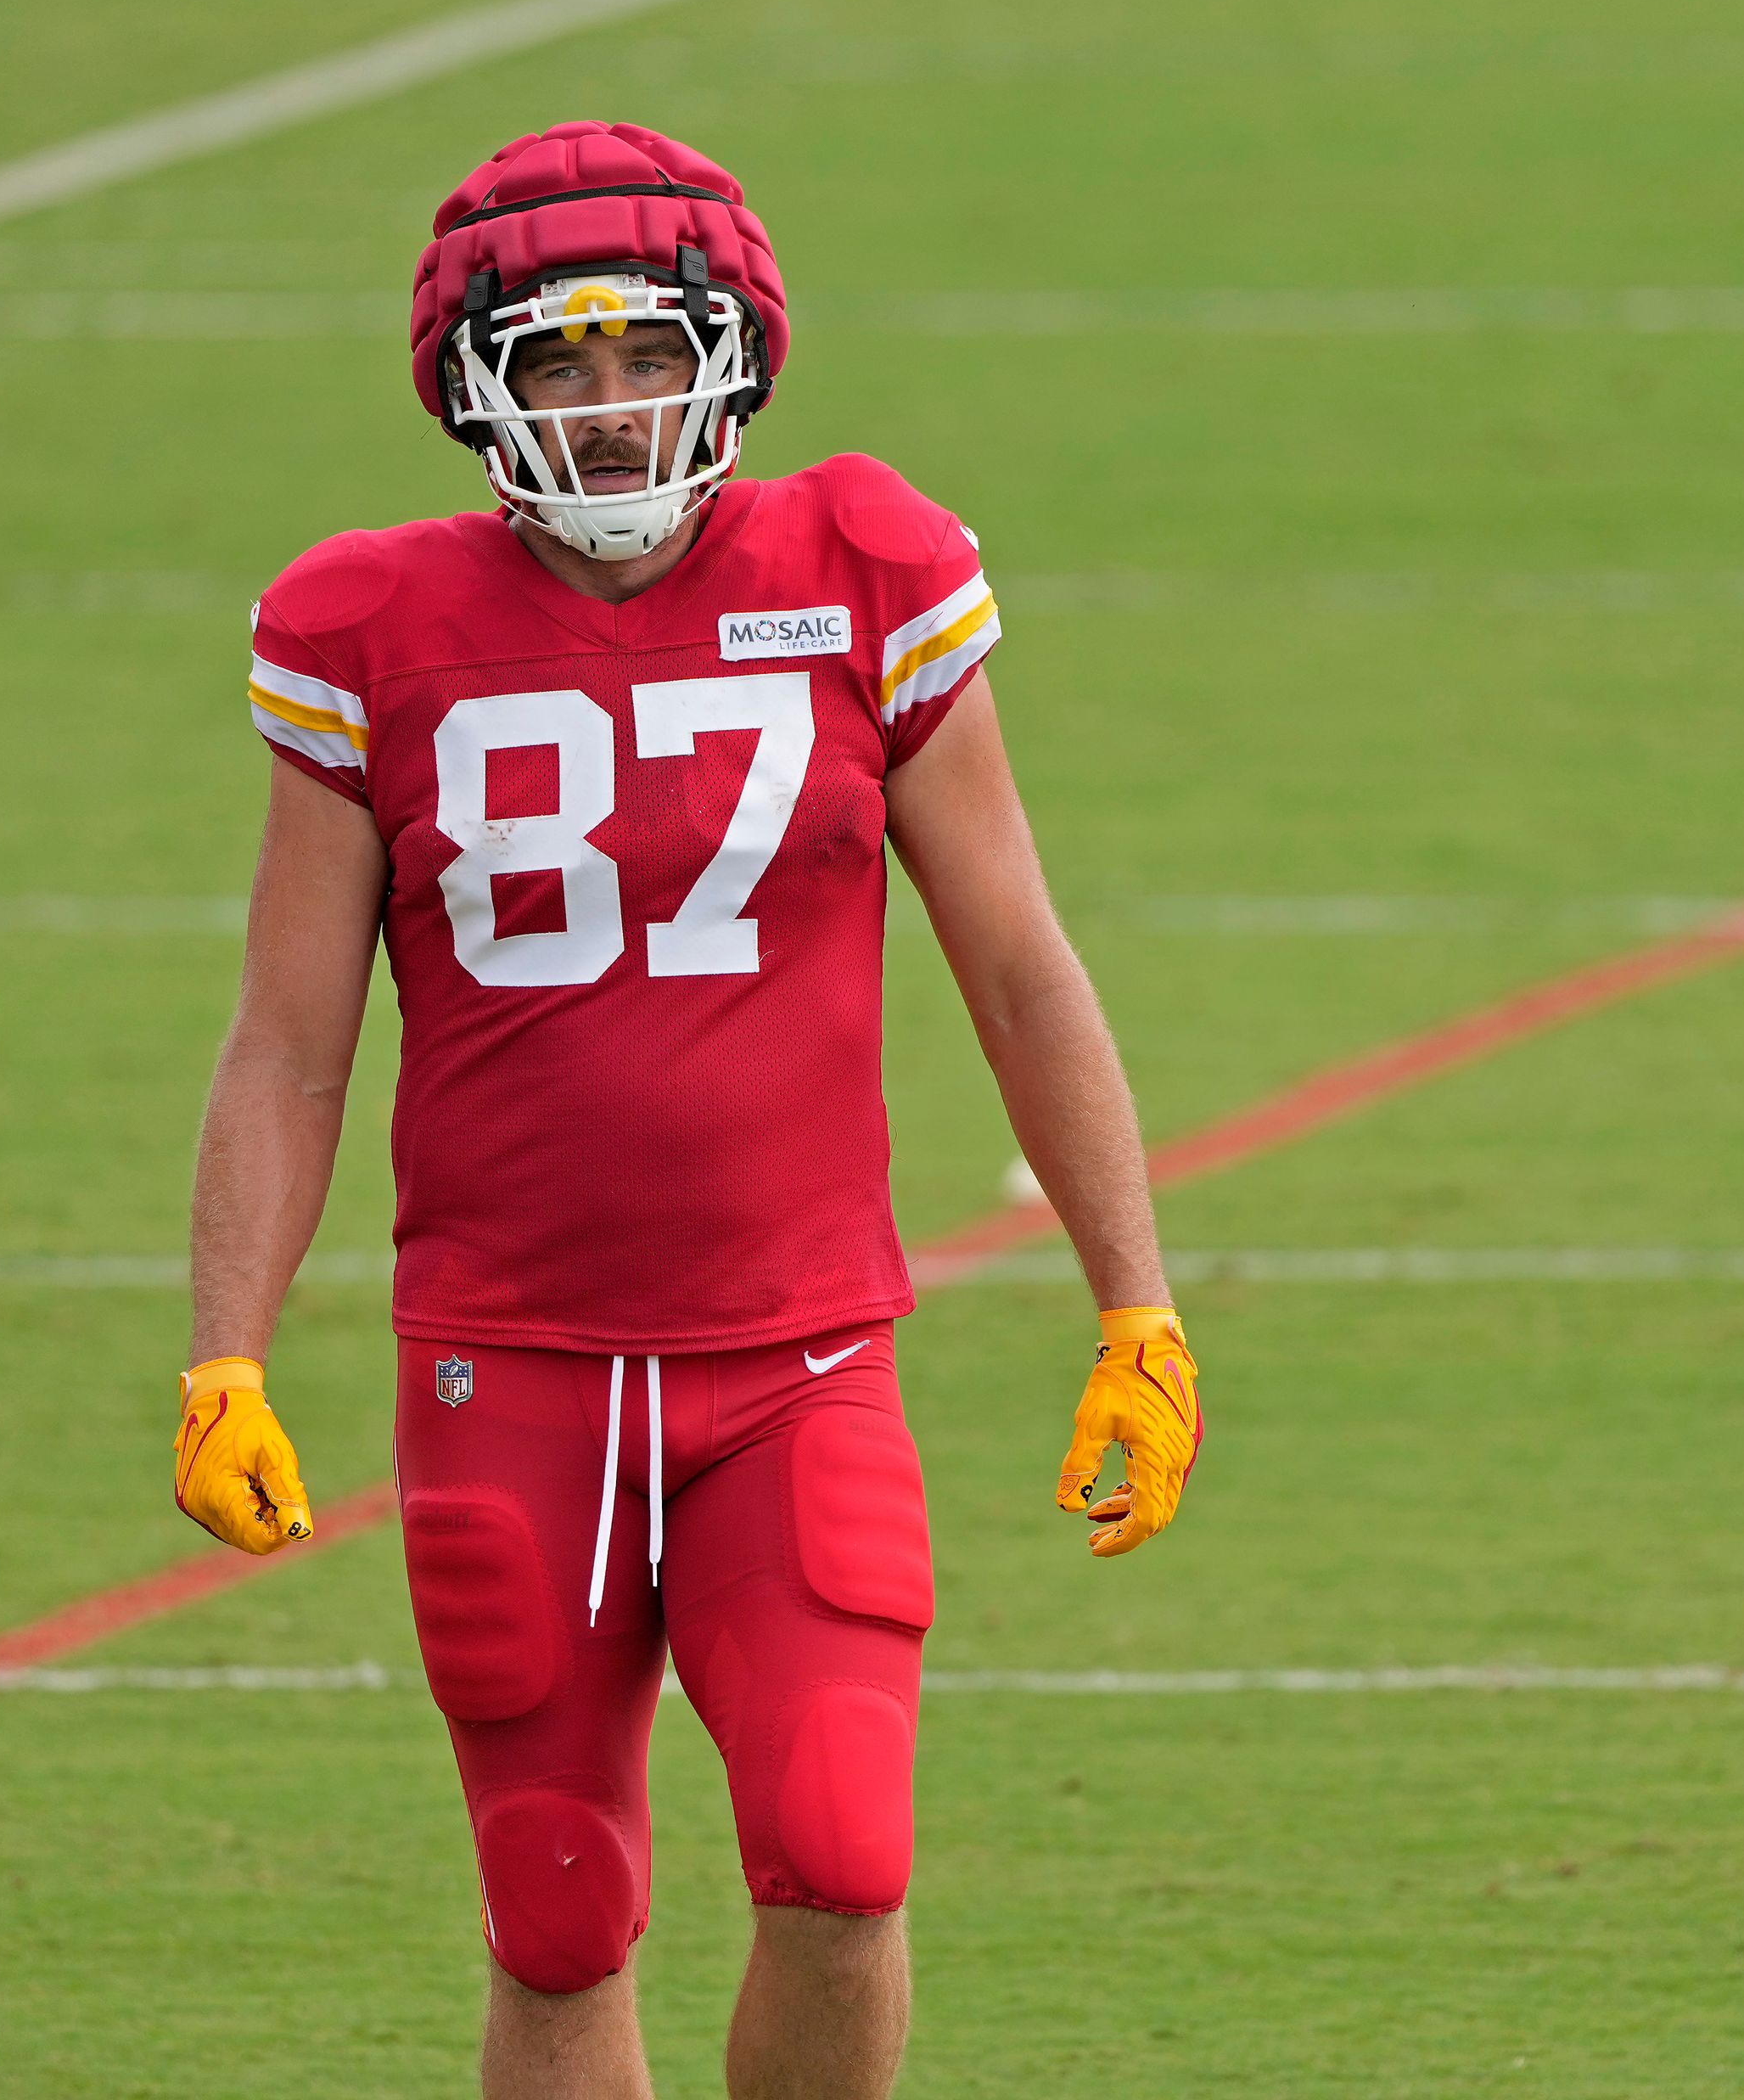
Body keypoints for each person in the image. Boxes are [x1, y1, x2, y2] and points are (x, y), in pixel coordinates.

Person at [165, 120, 1203, 2100]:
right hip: (505, 1359)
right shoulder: (365, 626)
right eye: (558, 361)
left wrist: (1135, 1305)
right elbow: (290, 1039)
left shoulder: (864, 565)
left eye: (649, 352)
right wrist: (226, 1352)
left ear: (732, 354)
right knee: (557, 1905)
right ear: (477, 382)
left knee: (843, 1854)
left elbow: (1021, 965)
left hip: (795, 1354)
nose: (615, 406)